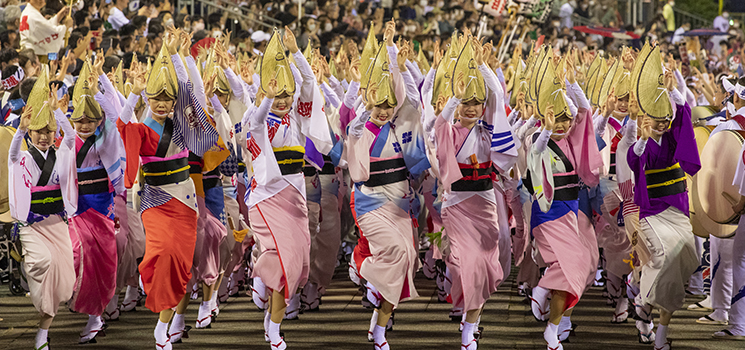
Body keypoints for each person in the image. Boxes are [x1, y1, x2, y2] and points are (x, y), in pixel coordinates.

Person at [117, 30, 219, 350]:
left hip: (185, 198)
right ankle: (162, 313)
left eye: (167, 99)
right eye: (155, 98)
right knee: (162, 253)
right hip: (155, 199)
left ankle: (165, 323)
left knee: (180, 261)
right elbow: (121, 126)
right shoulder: (141, 128)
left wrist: (177, 55)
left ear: (174, 101)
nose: (161, 104)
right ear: (149, 99)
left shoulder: (183, 122)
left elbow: (193, 91)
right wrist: (132, 94)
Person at [242, 26, 331, 350]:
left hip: (295, 194)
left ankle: (269, 307)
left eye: (286, 95)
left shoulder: (296, 117)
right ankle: (275, 324)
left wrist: (295, 54)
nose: (283, 100)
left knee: (297, 259)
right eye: (277, 95)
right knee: (283, 259)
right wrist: (268, 93)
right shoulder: (260, 118)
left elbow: (308, 84)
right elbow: (254, 123)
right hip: (267, 196)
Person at [346, 20, 430, 350]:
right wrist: (364, 114)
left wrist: (392, 51)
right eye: (376, 104)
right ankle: (361, 263)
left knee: (408, 256)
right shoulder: (358, 124)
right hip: (368, 200)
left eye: (387, 105)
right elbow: (354, 147)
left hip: (399, 199)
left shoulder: (402, 124)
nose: (383, 110)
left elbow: (408, 94)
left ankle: (379, 325)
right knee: (399, 252)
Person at [433, 36, 517, 350]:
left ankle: (473, 322)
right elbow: (441, 118)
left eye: (474, 104)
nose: (470, 109)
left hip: (485, 203)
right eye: (465, 104)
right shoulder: (446, 130)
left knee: (486, 267)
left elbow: (496, 94)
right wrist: (455, 97)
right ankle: (468, 330)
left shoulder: (488, 132)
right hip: (456, 205)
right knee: (468, 264)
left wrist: (482, 65)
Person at [627, 44, 700, 350]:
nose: (661, 123)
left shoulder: (673, 133)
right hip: (653, 210)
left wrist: (675, 90)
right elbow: (634, 160)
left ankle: (646, 307)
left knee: (687, 258)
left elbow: (685, 116)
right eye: (656, 119)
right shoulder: (638, 140)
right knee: (665, 258)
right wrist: (642, 137)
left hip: (678, 208)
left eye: (664, 119)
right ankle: (648, 311)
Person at [8, 66, 76, 350]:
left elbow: (71, 139)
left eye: (49, 131)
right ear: (31, 133)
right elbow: (12, 155)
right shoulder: (23, 157)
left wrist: (57, 112)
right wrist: (19, 130)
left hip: (56, 223)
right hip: (32, 225)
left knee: (65, 276)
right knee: (43, 262)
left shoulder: (60, 155)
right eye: (39, 131)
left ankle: (42, 332)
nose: (44, 136)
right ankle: (27, 272)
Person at [66, 55, 126, 344]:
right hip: (77, 205)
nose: (85, 125)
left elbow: (115, 113)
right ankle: (87, 306)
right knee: (79, 253)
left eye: (90, 120)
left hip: (102, 202)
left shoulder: (105, 136)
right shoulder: (67, 138)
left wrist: (101, 79)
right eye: (80, 121)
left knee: (104, 259)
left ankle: (96, 315)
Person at [715, 76, 745, 341]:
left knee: (738, 261)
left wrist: (738, 204)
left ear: (736, 97)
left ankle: (738, 324)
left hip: (739, 209)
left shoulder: (729, 126)